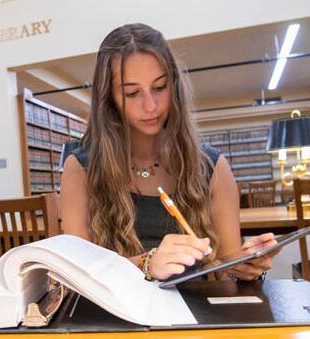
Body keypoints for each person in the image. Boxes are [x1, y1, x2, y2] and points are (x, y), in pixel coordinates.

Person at [60, 23, 277, 282]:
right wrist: (147, 264)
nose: (150, 106)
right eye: (132, 93)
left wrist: (245, 265)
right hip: (119, 319)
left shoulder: (212, 166)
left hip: (199, 316)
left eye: (160, 87)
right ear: (109, 100)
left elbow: (226, 264)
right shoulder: (80, 168)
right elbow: (77, 276)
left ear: (174, 87)